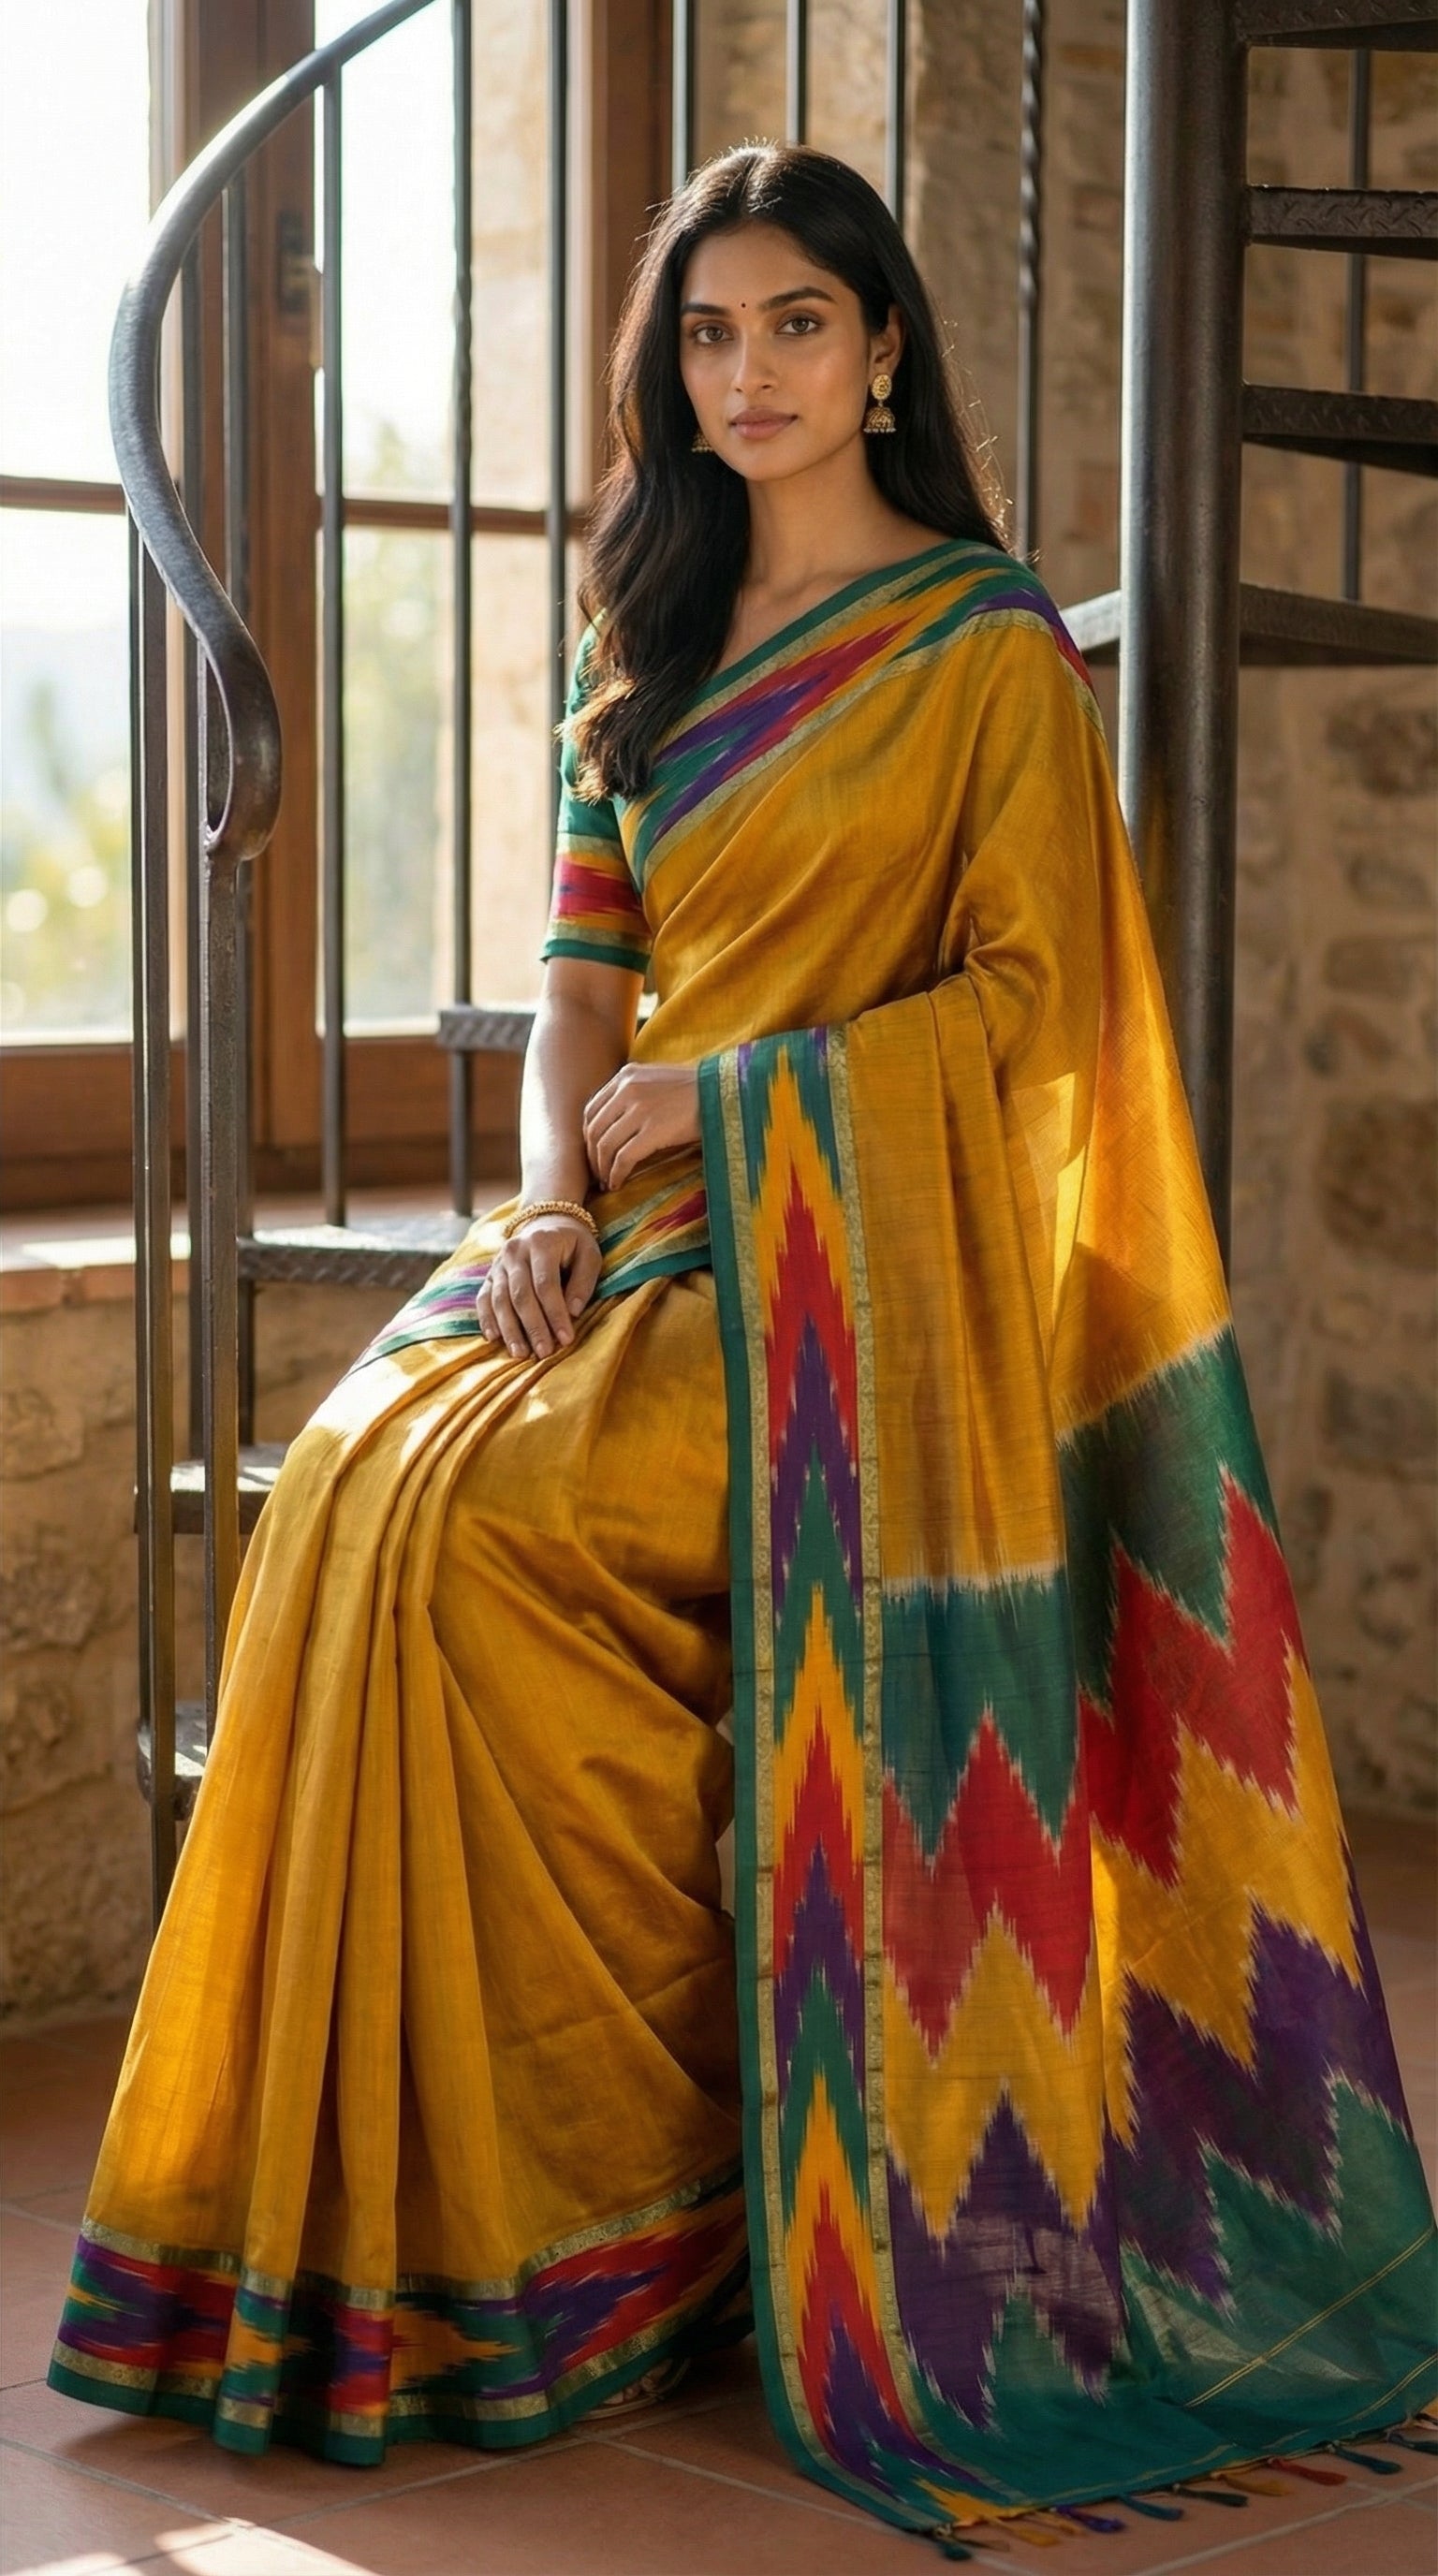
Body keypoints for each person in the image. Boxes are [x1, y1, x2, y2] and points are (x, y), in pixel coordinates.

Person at [51, 144, 1435, 2550]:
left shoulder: (984, 654)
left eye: (798, 322)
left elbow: (1042, 1023)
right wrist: (542, 1200)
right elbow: (575, 999)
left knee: (493, 1531)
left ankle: (648, 2198)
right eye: (709, 334)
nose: (752, 372)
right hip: (635, 1237)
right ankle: (477, 2224)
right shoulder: (655, 649)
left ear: (883, 347)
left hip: (856, 1283)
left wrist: (739, 1099)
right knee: (364, 1477)